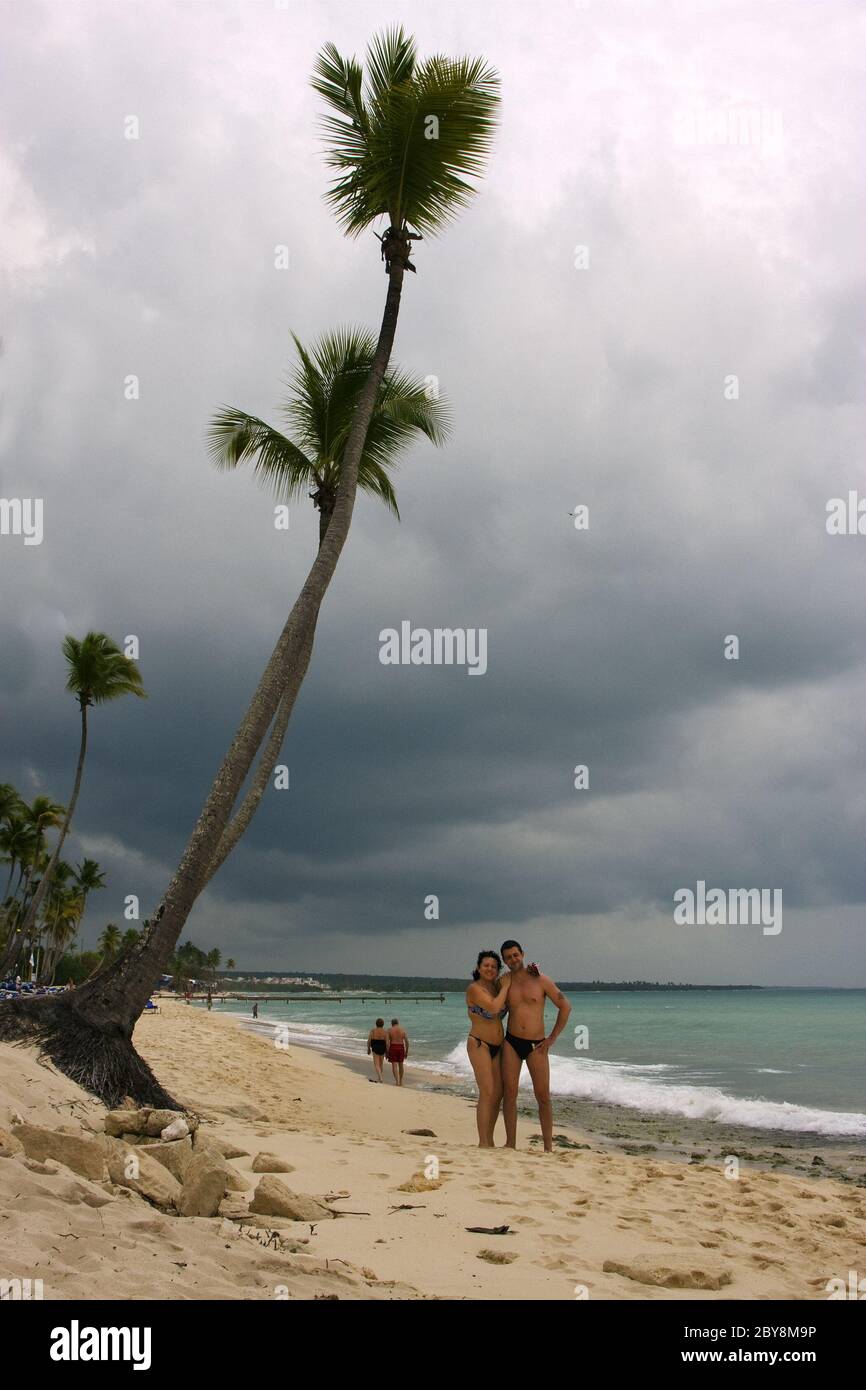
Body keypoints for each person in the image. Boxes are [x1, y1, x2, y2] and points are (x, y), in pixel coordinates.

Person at [500, 940, 571, 1153]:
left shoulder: (541, 980)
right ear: (503, 960)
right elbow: (493, 1008)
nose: (513, 959)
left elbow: (565, 1006)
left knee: (543, 1096)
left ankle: (548, 1148)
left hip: (537, 1045)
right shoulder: (504, 982)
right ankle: (510, 1144)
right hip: (511, 1042)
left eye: (515, 955)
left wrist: (552, 1038)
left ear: (522, 954)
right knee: (509, 1093)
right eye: (508, 957)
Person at [465, 951, 512, 1147]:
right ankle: (483, 1142)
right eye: (486, 965)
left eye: (494, 966)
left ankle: (490, 1139)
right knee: (487, 1091)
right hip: (479, 1044)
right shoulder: (474, 989)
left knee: (498, 1093)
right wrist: (506, 987)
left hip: (497, 1046)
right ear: (478, 968)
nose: (490, 969)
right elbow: (493, 1008)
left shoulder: (496, 988)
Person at [386, 1018, 409, 1085]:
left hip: (393, 1047)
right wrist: (406, 1051)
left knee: (394, 1065)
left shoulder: (389, 1030)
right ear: (398, 1023)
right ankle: (401, 1081)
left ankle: (397, 1081)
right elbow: (407, 1042)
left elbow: (387, 1043)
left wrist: (387, 1052)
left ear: (392, 1024)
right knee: (401, 1065)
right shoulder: (403, 1030)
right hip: (401, 1047)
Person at [367, 1018, 388, 1083]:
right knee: (381, 1064)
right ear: (383, 1024)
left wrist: (368, 1048)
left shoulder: (373, 1031)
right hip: (383, 1047)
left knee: (376, 1064)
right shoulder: (385, 1032)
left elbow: (369, 1041)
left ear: (376, 1024)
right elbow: (387, 1043)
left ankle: (380, 1078)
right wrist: (387, 1051)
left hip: (375, 1046)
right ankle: (379, 1078)